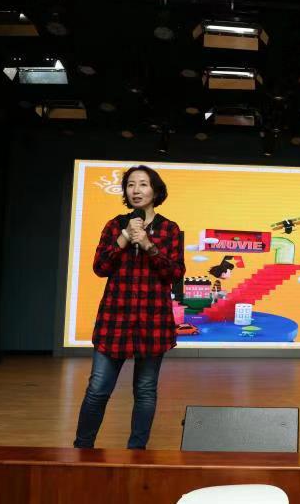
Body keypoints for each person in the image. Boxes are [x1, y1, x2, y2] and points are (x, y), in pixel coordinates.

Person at [74, 165, 185, 450]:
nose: (136, 190)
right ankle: (82, 450)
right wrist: (124, 237)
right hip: (115, 321)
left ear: (155, 191)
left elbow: (174, 273)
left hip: (152, 323)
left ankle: (137, 452)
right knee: (98, 389)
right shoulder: (114, 226)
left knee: (145, 391)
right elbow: (100, 267)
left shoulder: (169, 229)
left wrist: (148, 244)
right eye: (131, 184)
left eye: (143, 184)